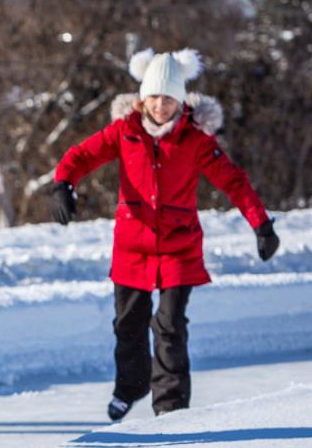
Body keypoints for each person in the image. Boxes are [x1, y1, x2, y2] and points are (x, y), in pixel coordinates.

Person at [50, 48, 279, 420]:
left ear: (180, 99)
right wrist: (63, 184)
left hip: (178, 248)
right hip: (132, 246)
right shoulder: (124, 132)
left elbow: (233, 182)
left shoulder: (195, 140)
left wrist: (261, 224)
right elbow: (80, 156)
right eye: (154, 97)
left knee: (170, 326)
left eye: (168, 97)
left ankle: (171, 408)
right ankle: (131, 385)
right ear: (142, 98)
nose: (160, 105)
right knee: (128, 325)